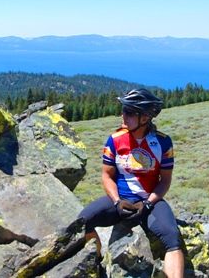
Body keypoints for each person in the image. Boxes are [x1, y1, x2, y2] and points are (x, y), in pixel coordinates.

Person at [76, 88, 184, 277]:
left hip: (150, 203)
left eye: (129, 112)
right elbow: (106, 176)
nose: (122, 115)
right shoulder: (115, 140)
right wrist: (117, 201)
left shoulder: (163, 143)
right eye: (123, 109)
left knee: (173, 239)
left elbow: (165, 181)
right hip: (120, 201)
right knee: (81, 222)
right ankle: (98, 265)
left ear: (144, 117)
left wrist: (148, 203)